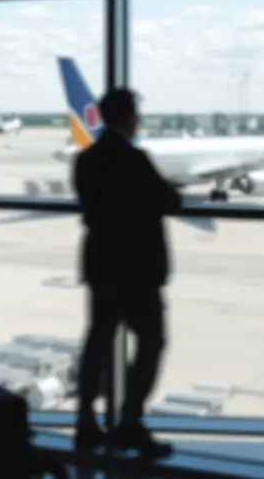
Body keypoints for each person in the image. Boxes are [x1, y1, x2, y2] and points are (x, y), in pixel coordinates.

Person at [72, 87, 182, 459]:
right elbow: (171, 201)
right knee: (151, 343)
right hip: (137, 272)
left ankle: (86, 423)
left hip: (101, 267)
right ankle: (129, 422)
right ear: (129, 117)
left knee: (97, 344)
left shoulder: (84, 161)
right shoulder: (135, 159)